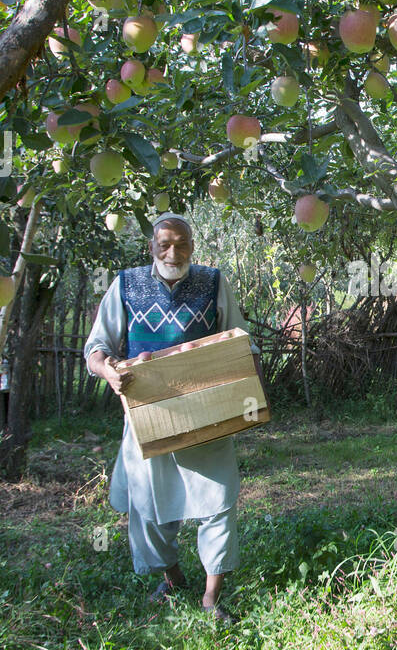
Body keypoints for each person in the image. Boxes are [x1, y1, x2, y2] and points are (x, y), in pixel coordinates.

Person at [83, 212, 265, 621]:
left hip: (208, 411)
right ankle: (172, 578)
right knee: (148, 505)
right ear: (151, 247)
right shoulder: (125, 285)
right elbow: (96, 347)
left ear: (193, 246)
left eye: (181, 243)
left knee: (219, 501)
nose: (172, 252)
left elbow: (240, 339)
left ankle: (211, 598)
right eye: (164, 244)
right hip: (149, 414)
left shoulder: (214, 281)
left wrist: (248, 387)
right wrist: (110, 370)